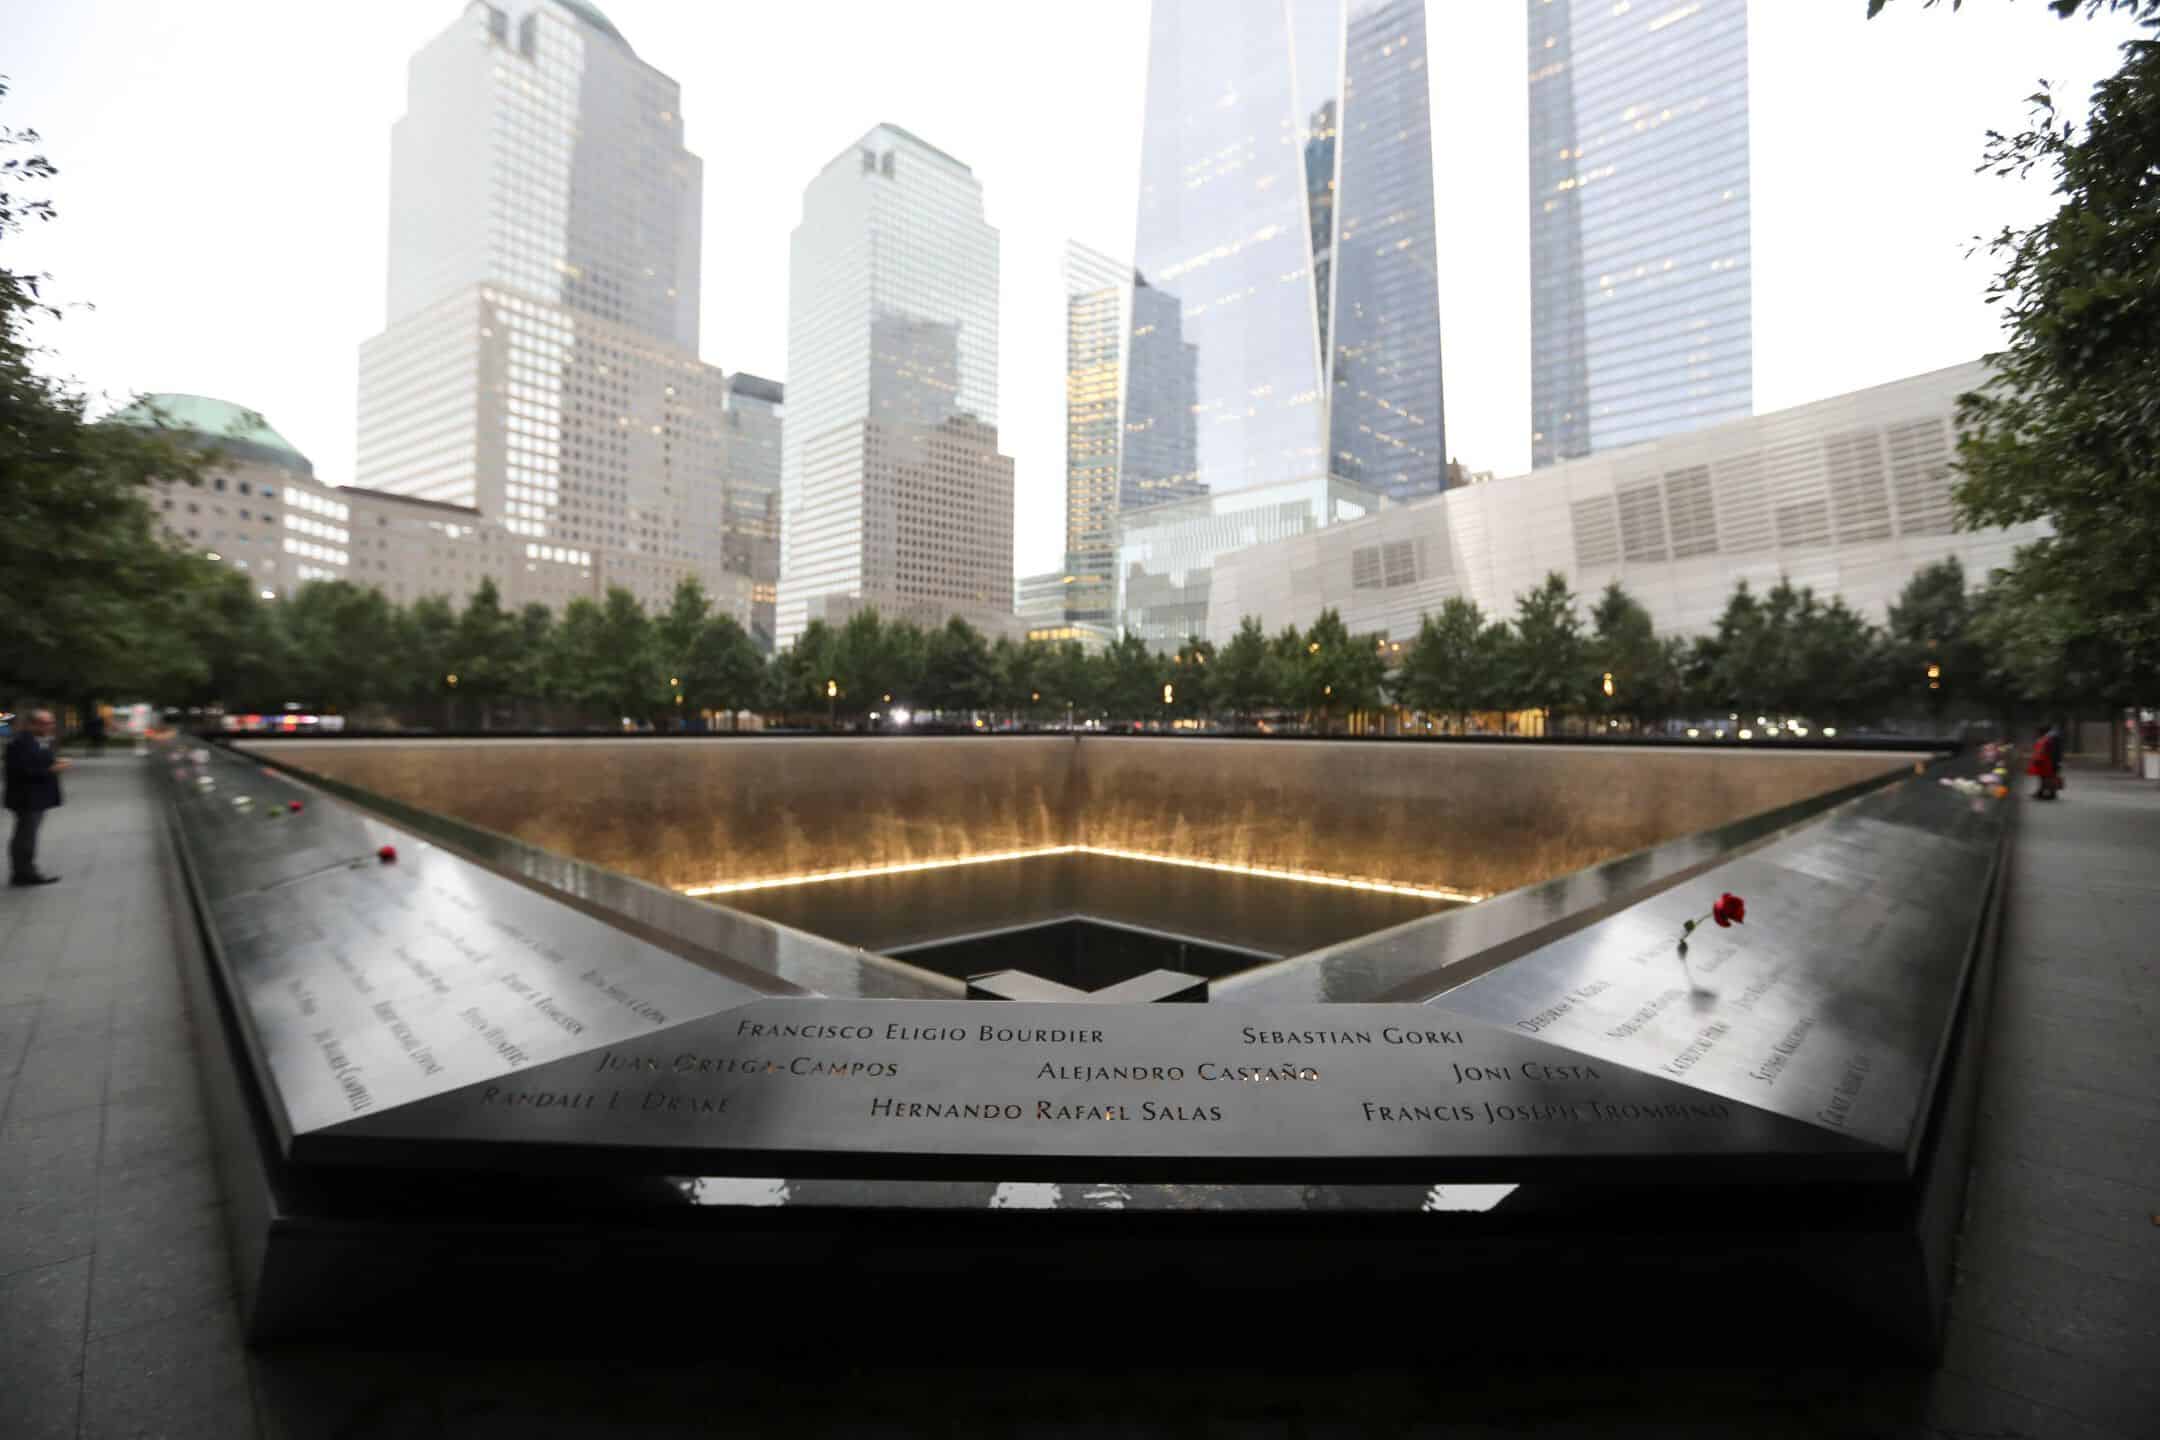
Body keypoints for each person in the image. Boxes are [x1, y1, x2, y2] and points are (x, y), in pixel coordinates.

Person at [5, 709, 70, 886]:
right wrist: (52, 769)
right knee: (25, 836)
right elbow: (22, 771)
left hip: (36, 797)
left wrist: (53, 763)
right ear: (32, 724)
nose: (51, 726)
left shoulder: (39, 740)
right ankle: (24, 873)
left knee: (28, 835)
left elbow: (39, 761)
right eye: (46, 723)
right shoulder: (20, 743)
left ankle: (24, 871)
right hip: (26, 798)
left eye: (51, 723)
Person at [2026, 723, 2059, 801]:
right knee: (2044, 778)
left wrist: (2055, 762)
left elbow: (2045, 751)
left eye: (2038, 731)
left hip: (2045, 761)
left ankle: (2050, 793)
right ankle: (2042, 792)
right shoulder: (2046, 738)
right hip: (2044, 761)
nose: (2037, 733)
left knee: (2047, 777)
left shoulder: (2047, 739)